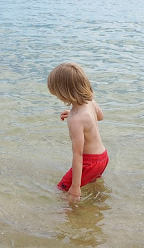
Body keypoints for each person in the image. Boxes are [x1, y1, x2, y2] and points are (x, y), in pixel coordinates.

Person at [47, 63, 108, 201]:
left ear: (63, 92)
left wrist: (75, 187)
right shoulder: (90, 101)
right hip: (103, 157)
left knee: (62, 191)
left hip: (89, 162)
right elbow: (100, 117)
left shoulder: (76, 120)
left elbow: (78, 155)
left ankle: (74, 215)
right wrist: (73, 113)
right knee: (91, 183)